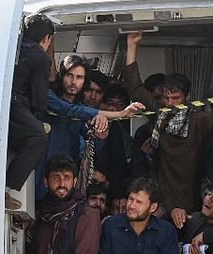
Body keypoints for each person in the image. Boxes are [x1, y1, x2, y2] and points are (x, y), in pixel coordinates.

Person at [122, 31, 213, 224]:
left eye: (176, 98)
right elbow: (135, 88)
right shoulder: (160, 113)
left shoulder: (200, 120)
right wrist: (132, 46)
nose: (170, 103)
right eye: (166, 98)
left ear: (187, 97)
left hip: (191, 196)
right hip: (163, 199)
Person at [36, 55, 143, 197]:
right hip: (40, 170)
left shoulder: (83, 110)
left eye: (79, 78)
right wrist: (121, 114)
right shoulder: (49, 97)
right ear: (62, 76)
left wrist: (100, 134)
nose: (74, 82)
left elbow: (90, 144)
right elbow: (71, 110)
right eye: (70, 75)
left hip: (67, 176)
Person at [6, 14, 54, 210]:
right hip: (16, 104)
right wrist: (38, 119)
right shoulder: (40, 57)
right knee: (38, 137)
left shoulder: (11, 48)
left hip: (2, 106)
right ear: (46, 38)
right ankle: (6, 188)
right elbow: (39, 96)